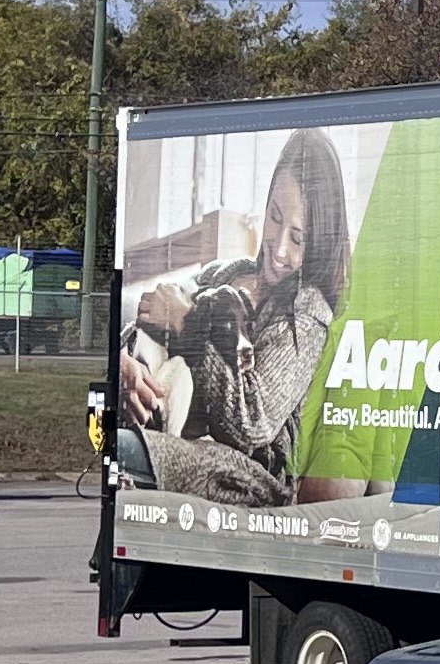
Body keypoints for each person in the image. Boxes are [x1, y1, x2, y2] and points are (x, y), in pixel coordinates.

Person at [119, 127, 352, 506]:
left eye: (298, 238)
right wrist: (125, 366)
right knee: (121, 442)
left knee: (125, 449)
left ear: (320, 242)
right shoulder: (223, 273)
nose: (278, 248)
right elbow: (148, 315)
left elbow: (252, 424)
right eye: (275, 217)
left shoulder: (307, 313)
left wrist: (187, 323)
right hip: (171, 425)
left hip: (241, 470)